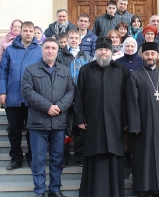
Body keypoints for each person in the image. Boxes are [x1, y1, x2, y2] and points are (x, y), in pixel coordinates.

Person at [73, 37, 129, 197]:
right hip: (93, 123)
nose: (103, 52)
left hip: (115, 123)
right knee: (94, 154)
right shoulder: (85, 70)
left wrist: (126, 120)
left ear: (111, 51)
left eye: (106, 49)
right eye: (100, 49)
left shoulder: (121, 70)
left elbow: (128, 98)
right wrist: (80, 118)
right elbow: (79, 96)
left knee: (113, 155)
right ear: (95, 51)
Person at [22, 37, 75, 197]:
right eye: (47, 48)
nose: (50, 51)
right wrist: (48, 107)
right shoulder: (31, 70)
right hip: (38, 123)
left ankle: (54, 189)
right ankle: (39, 191)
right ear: (42, 50)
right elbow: (27, 92)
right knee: (38, 160)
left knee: (57, 159)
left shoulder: (64, 71)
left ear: (57, 51)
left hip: (59, 123)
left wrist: (59, 106)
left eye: (53, 48)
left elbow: (71, 91)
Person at [127, 42, 159, 197]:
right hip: (144, 123)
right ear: (142, 56)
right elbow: (132, 102)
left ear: (158, 56)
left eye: (152, 54)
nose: (150, 57)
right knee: (145, 156)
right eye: (147, 54)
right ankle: (145, 188)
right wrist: (134, 125)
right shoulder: (135, 75)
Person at [0, 21, 42, 170]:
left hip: (33, 98)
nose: (28, 33)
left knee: (32, 130)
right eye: (26, 30)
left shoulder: (39, 50)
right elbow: (3, 71)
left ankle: (31, 157)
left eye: (31, 31)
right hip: (13, 96)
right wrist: (2, 92)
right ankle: (16, 158)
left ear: (34, 33)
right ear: (20, 32)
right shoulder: (10, 50)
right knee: (14, 129)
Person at [57, 29, 92, 167]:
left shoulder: (86, 56)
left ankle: (79, 156)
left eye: (76, 37)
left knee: (80, 126)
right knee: (65, 127)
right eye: (71, 37)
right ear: (67, 39)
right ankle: (64, 156)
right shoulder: (61, 56)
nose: (73, 39)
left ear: (80, 40)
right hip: (64, 95)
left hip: (82, 96)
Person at [115, 36, 143, 168]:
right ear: (123, 47)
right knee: (126, 126)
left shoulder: (142, 61)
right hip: (123, 97)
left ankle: (136, 152)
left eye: (132, 46)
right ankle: (126, 152)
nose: (130, 48)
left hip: (140, 97)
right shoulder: (118, 62)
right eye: (127, 46)